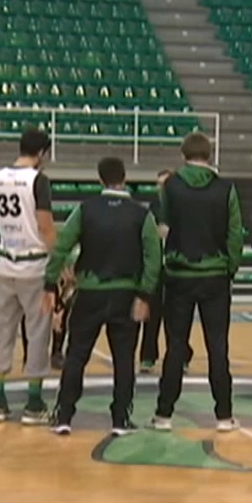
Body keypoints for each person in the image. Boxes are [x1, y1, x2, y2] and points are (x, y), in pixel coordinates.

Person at [48, 157, 161, 436]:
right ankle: (120, 419)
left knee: (76, 356)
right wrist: (145, 294)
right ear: (125, 178)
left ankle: (64, 415)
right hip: (125, 294)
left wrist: (50, 284)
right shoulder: (141, 214)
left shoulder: (85, 210)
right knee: (124, 360)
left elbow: (61, 245)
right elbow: (153, 257)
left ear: (99, 179)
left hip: (90, 293)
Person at [151, 133, 243, 433]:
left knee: (175, 346)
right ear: (209, 154)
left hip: (178, 274)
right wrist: (230, 268)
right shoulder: (226, 188)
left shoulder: (171, 186)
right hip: (215, 276)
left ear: (183, 154)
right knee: (218, 347)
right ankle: (224, 415)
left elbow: (162, 229)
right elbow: (235, 235)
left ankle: (164, 414)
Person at [0, 128, 57, 424]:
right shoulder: (38, 180)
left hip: (5, 264)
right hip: (33, 264)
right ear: (41, 152)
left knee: (3, 329)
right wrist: (60, 259)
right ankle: (33, 401)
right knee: (38, 331)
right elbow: (44, 225)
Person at [139, 169, 194, 373]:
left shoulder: (183, 208)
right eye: (158, 184)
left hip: (176, 267)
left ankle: (181, 355)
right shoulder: (152, 208)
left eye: (164, 183)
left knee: (176, 317)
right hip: (156, 267)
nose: (160, 187)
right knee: (151, 315)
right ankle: (147, 357)